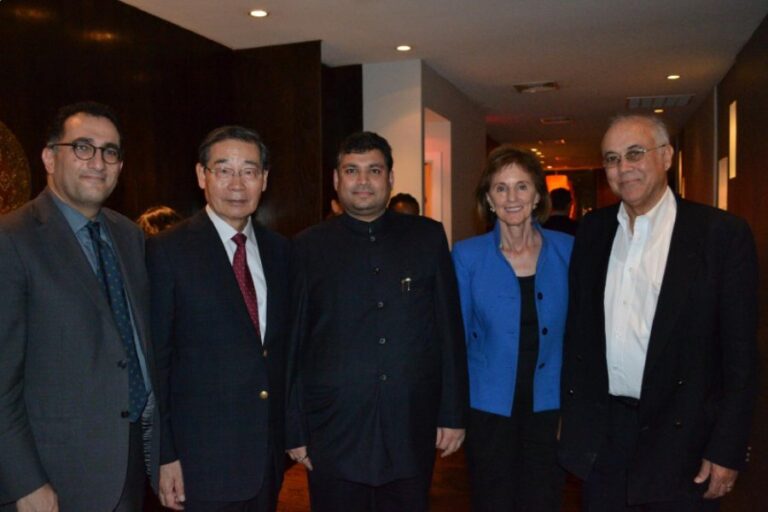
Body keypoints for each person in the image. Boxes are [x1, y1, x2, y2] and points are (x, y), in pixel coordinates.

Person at [558, 114, 759, 511]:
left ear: (666, 157)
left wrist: (727, 448)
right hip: (605, 437)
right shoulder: (594, 231)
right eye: (612, 158)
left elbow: (741, 358)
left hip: (683, 438)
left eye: (635, 153)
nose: (623, 168)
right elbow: (579, 333)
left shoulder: (720, 235)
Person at [286, 131, 468, 512]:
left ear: (390, 178)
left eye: (374, 170)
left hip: (409, 424)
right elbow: (294, 344)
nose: (363, 180)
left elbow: (449, 332)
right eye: (352, 170)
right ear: (336, 180)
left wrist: (452, 413)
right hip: (333, 427)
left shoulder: (427, 237)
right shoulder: (306, 247)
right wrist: (295, 428)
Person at [0, 101, 155, 510]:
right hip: (50, 478)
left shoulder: (128, 236)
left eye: (110, 151)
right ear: (50, 157)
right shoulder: (12, 240)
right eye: (82, 147)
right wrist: (23, 482)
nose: (98, 162)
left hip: (127, 467)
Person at [147, 126, 290, 512]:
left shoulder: (281, 252)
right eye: (224, 169)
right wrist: (164, 455)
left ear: (264, 179)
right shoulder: (168, 251)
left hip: (267, 459)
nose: (237, 183)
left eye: (249, 170)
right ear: (201, 176)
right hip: (199, 464)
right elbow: (157, 362)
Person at [452, 146, 572, 511]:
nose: (512, 197)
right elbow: (455, 339)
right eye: (501, 188)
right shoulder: (466, 255)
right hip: (488, 408)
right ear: (488, 199)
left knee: (545, 498)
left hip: (550, 407)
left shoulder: (569, 251)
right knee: (493, 499)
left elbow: (582, 336)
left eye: (522, 186)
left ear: (538, 195)